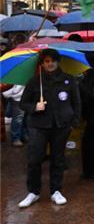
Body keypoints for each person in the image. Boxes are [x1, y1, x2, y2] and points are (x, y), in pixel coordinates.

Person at [18, 50, 81, 208]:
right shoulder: (34, 81)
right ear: (42, 64)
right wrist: (34, 107)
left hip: (61, 125)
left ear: (57, 61)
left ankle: (56, 191)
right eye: (46, 61)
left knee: (58, 158)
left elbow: (76, 102)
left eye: (52, 61)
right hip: (39, 126)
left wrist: (74, 121)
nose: (50, 64)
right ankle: (33, 191)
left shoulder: (68, 80)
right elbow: (23, 103)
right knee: (34, 159)